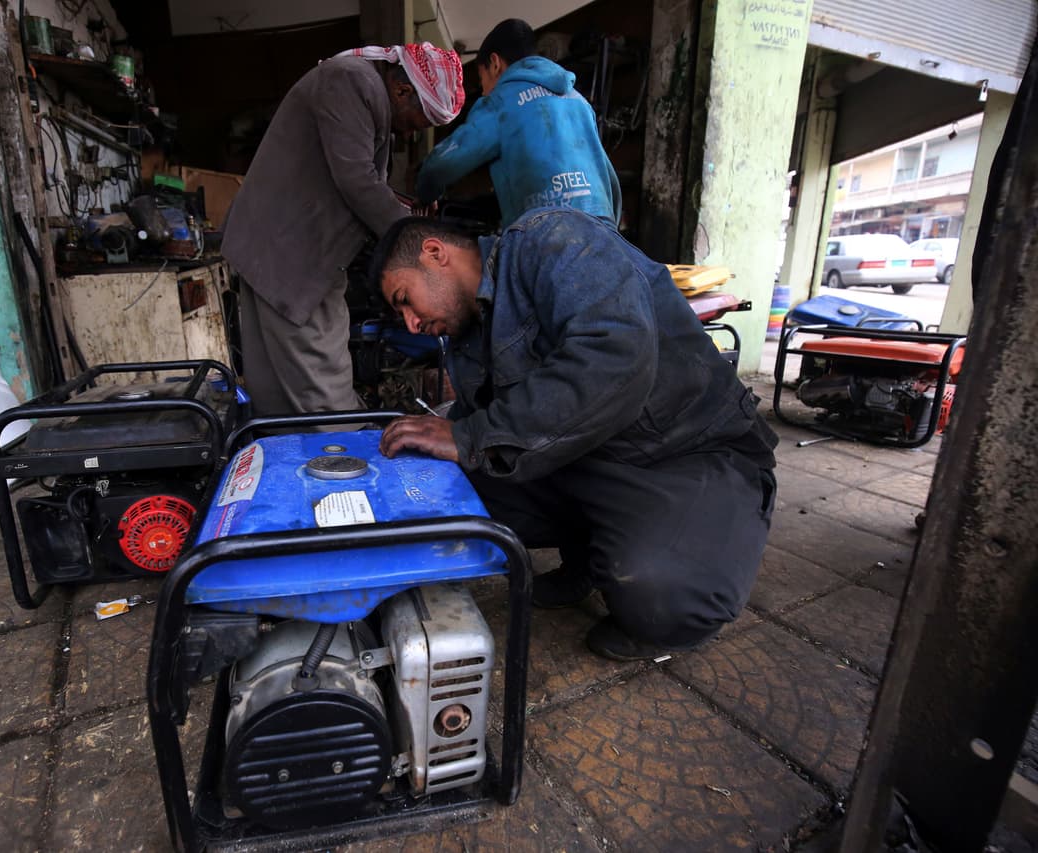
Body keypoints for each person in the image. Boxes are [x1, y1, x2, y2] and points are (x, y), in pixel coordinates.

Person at [370, 210, 778, 661]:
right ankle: (590, 552)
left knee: (662, 596)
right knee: (442, 486)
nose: (411, 324)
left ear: (434, 253)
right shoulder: (466, 334)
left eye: (405, 300)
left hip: (681, 453)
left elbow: (614, 359)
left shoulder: (553, 240)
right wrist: (446, 442)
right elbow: (487, 426)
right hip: (582, 460)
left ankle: (670, 580)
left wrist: (470, 437)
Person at [221, 43, 464, 417]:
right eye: (417, 124)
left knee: (275, 389)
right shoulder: (351, 82)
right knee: (322, 385)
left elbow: (351, 174)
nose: (410, 134)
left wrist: (403, 207)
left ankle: (286, 448)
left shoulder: (357, 84)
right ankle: (341, 450)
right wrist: (420, 241)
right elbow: (357, 180)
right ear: (402, 91)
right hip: (292, 255)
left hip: (273, 247)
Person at [414, 19, 621, 230]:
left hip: (545, 231)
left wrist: (425, 194)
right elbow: (610, 181)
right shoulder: (579, 101)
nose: (484, 91)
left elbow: (441, 166)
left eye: (482, 79)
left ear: (495, 63)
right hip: (604, 232)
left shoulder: (500, 102)